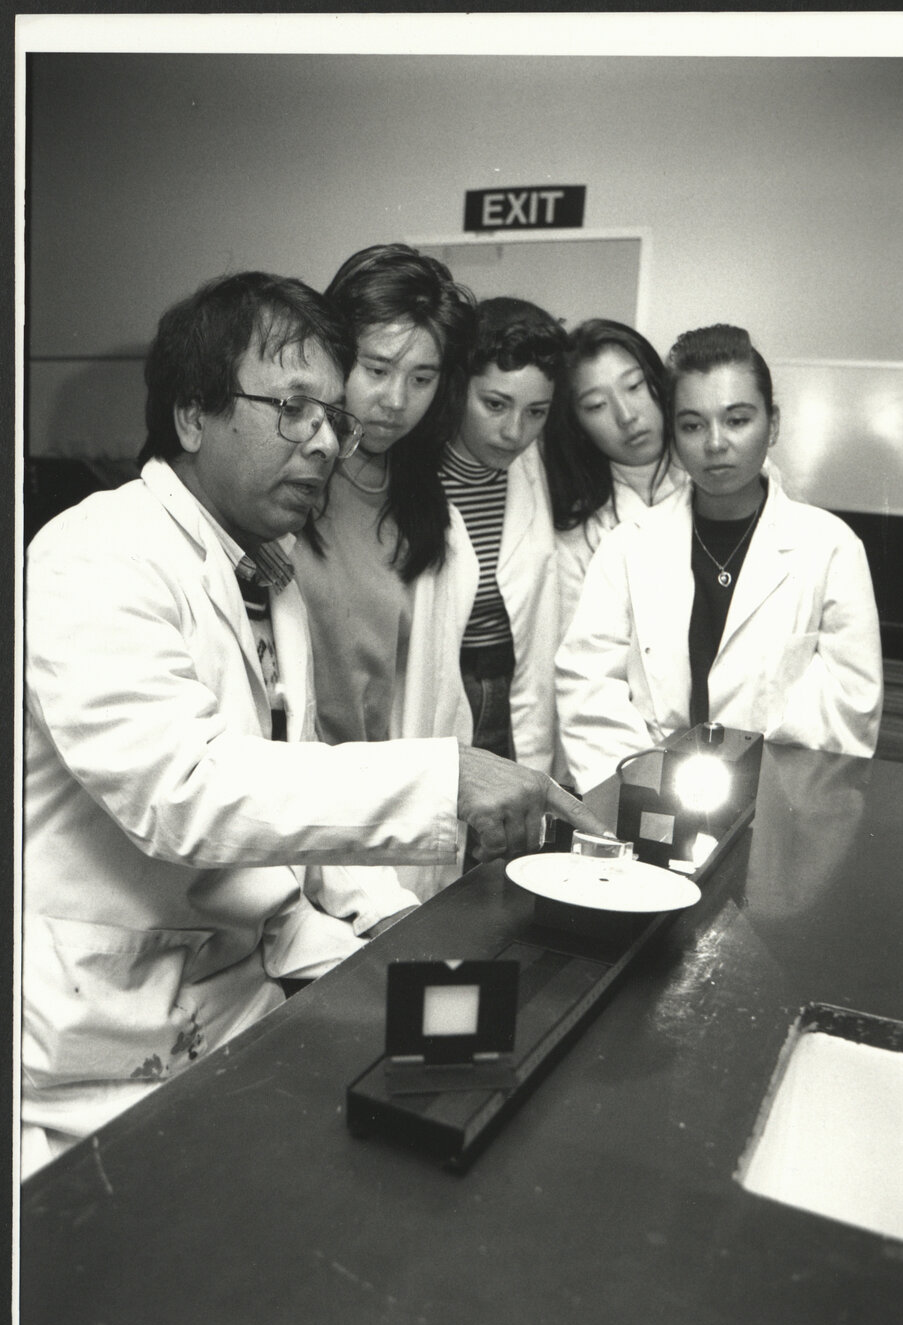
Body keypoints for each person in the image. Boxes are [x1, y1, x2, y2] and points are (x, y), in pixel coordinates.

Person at [21, 271, 608, 1176]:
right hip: (101, 1052)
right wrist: (444, 775)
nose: (325, 442)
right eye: (293, 408)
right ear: (191, 416)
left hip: (242, 996)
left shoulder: (268, 574)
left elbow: (289, 788)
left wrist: (398, 928)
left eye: (330, 418)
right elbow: (187, 794)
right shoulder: (94, 555)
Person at [556, 323, 883, 793]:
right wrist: (643, 794)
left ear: (773, 424)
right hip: (646, 805)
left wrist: (752, 795)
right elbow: (588, 691)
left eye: (737, 419)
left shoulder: (831, 548)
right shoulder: (627, 547)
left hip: (782, 809)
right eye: (692, 424)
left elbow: (848, 709)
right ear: (674, 430)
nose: (714, 443)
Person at [293, 245, 479, 896]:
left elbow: (436, 699)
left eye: (421, 379)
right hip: (289, 812)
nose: (395, 400)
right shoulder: (282, 489)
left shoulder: (432, 517)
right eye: (376, 368)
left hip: (381, 822)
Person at [439, 296, 566, 772]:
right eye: (495, 404)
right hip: (445, 688)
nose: (515, 431)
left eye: (536, 412)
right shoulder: (411, 475)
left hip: (516, 693)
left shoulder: (539, 469)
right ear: (458, 387)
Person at [544, 318, 683, 639]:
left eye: (634, 386)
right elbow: (581, 652)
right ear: (576, 424)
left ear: (659, 382)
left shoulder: (723, 474)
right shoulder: (578, 527)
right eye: (596, 405)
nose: (626, 415)